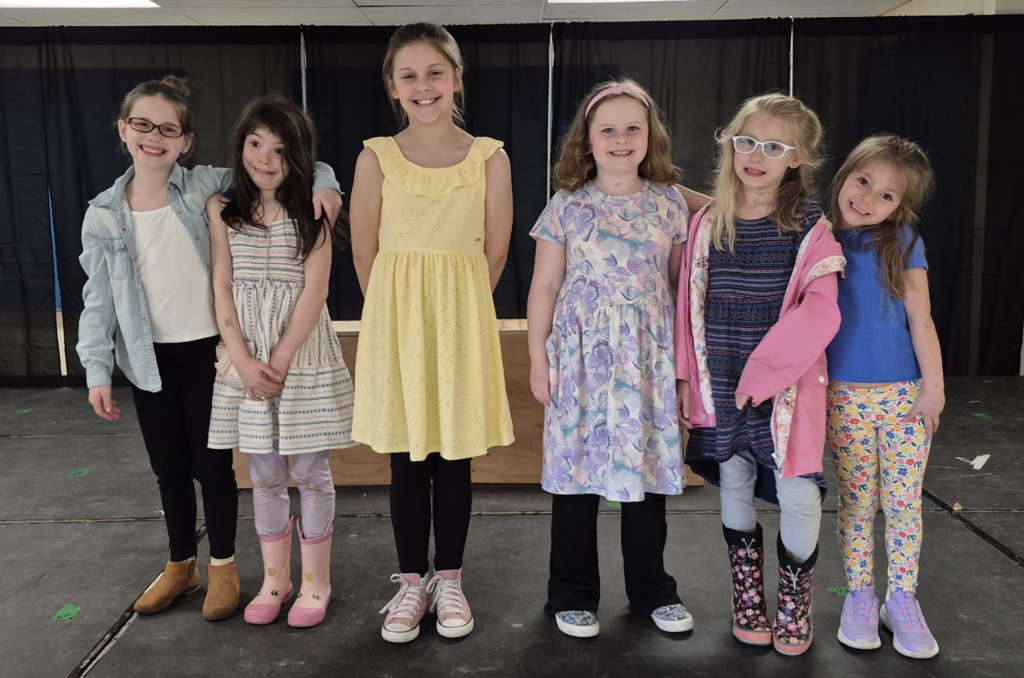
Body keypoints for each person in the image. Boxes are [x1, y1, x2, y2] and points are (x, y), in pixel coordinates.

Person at [76, 76, 342, 620]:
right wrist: (95, 367)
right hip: (156, 358)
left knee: (217, 468)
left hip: (214, 351)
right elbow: (97, 298)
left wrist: (328, 180)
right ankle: (183, 565)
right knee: (171, 468)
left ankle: (228, 567)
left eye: (168, 129)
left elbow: (295, 160)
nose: (155, 137)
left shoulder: (202, 187)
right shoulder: (106, 212)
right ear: (124, 130)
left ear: (186, 140)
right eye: (143, 125)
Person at [349, 22, 514, 643]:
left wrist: (454, 313)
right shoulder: (376, 157)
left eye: (435, 73)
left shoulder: (489, 158)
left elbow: (494, 254)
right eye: (409, 75)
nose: (424, 87)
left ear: (457, 78)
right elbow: (365, 254)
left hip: (461, 324)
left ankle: (450, 579)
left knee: (454, 460)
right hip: (397, 326)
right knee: (406, 460)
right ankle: (411, 581)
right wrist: (399, 318)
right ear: (393, 86)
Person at [674, 93, 844, 655]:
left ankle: (795, 598)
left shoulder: (808, 227)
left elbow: (821, 310)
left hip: (786, 389)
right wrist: (686, 378)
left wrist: (766, 372)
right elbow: (686, 305)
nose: (756, 155)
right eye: (746, 141)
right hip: (720, 378)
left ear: (796, 158)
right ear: (730, 142)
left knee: (797, 492)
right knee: (736, 480)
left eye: (774, 146)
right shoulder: (707, 223)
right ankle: (747, 593)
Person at [527, 79, 693, 639]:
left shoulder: (670, 203)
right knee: (577, 479)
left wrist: (681, 372)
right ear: (587, 140)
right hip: (580, 362)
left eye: (632, 128)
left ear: (650, 136)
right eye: (608, 129)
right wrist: (536, 359)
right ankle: (570, 594)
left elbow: (676, 288)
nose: (621, 139)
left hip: (646, 360)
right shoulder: (566, 207)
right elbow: (545, 287)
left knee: (644, 479)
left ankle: (652, 591)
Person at [207, 95, 356, 628]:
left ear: (299, 159)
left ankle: (316, 584)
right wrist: (243, 359)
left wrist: (283, 358)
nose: (265, 158)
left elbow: (315, 291)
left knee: (312, 472)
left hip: (301, 358)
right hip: (246, 361)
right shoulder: (220, 209)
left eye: (279, 149)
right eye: (255, 144)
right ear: (240, 145)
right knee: (265, 474)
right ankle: (276, 579)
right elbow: (222, 284)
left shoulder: (314, 209)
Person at [824, 135, 941, 659]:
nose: (869, 199)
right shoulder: (819, 239)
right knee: (855, 502)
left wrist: (933, 390)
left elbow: (921, 319)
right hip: (843, 397)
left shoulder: (905, 241)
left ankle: (902, 598)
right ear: (844, 175)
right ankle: (860, 594)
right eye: (863, 181)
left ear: (901, 207)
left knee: (901, 503)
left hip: (903, 399)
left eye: (887, 196)